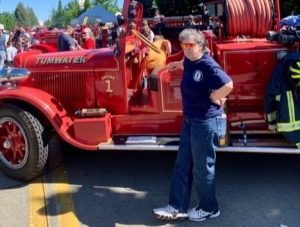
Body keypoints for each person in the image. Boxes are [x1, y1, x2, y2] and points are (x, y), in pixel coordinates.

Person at [153, 28, 233, 222]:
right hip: (190, 119)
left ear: (201, 45)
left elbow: (228, 85)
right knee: (183, 163)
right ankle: (177, 206)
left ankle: (209, 208)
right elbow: (187, 63)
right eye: (184, 45)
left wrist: (215, 96)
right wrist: (175, 64)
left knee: (202, 168)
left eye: (191, 45)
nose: (187, 49)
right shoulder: (190, 60)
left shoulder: (207, 64)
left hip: (204, 122)